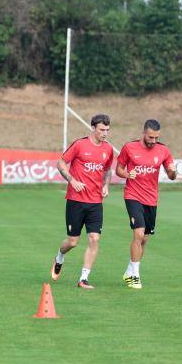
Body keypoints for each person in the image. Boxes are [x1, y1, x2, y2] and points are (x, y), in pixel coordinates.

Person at [50, 114, 114, 290]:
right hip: (75, 200)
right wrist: (72, 180)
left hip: (95, 202)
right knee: (72, 242)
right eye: (102, 129)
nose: (105, 133)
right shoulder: (80, 144)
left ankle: (83, 279)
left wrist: (106, 186)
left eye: (107, 130)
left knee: (94, 239)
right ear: (93, 128)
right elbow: (61, 164)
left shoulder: (108, 149)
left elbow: (108, 170)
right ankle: (59, 258)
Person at [115, 119, 177, 289]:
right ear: (143, 133)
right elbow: (118, 170)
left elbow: (171, 173)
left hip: (151, 199)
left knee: (145, 239)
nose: (153, 141)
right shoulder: (130, 147)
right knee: (139, 234)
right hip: (133, 195)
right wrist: (127, 174)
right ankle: (135, 275)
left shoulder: (163, 150)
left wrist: (172, 172)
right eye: (150, 137)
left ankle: (129, 271)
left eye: (156, 137)